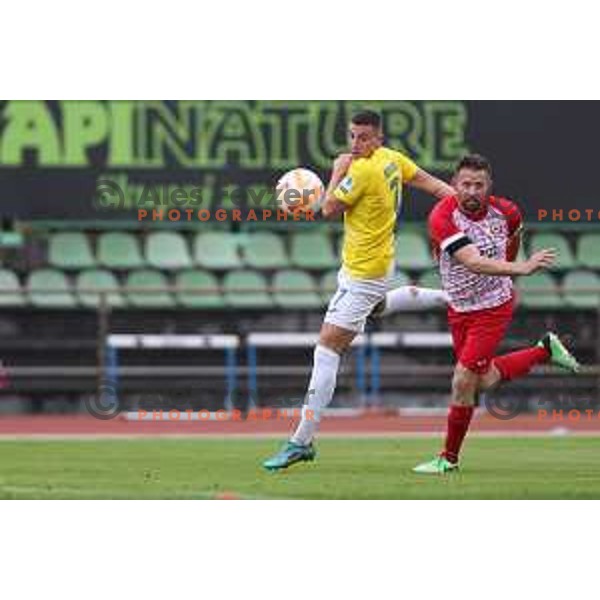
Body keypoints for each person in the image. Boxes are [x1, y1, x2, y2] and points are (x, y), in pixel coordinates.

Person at [262, 110, 454, 471]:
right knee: (378, 307)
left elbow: (328, 209)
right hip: (376, 266)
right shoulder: (392, 160)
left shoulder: (362, 170)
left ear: (378, 138)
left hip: (364, 273)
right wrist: (464, 208)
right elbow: (434, 185)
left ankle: (300, 441)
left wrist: (337, 170)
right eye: (352, 136)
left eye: (364, 137)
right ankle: (451, 298)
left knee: (327, 349)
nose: (356, 144)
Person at [412, 154, 580, 474]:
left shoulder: (508, 212)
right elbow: (472, 261)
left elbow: (513, 240)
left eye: (479, 184)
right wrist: (521, 268)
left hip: (493, 307)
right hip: (459, 307)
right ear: (454, 186)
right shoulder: (442, 216)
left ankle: (448, 459)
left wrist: (510, 278)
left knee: (462, 380)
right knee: (480, 380)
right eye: (465, 184)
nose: (472, 191)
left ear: (490, 186)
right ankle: (543, 350)